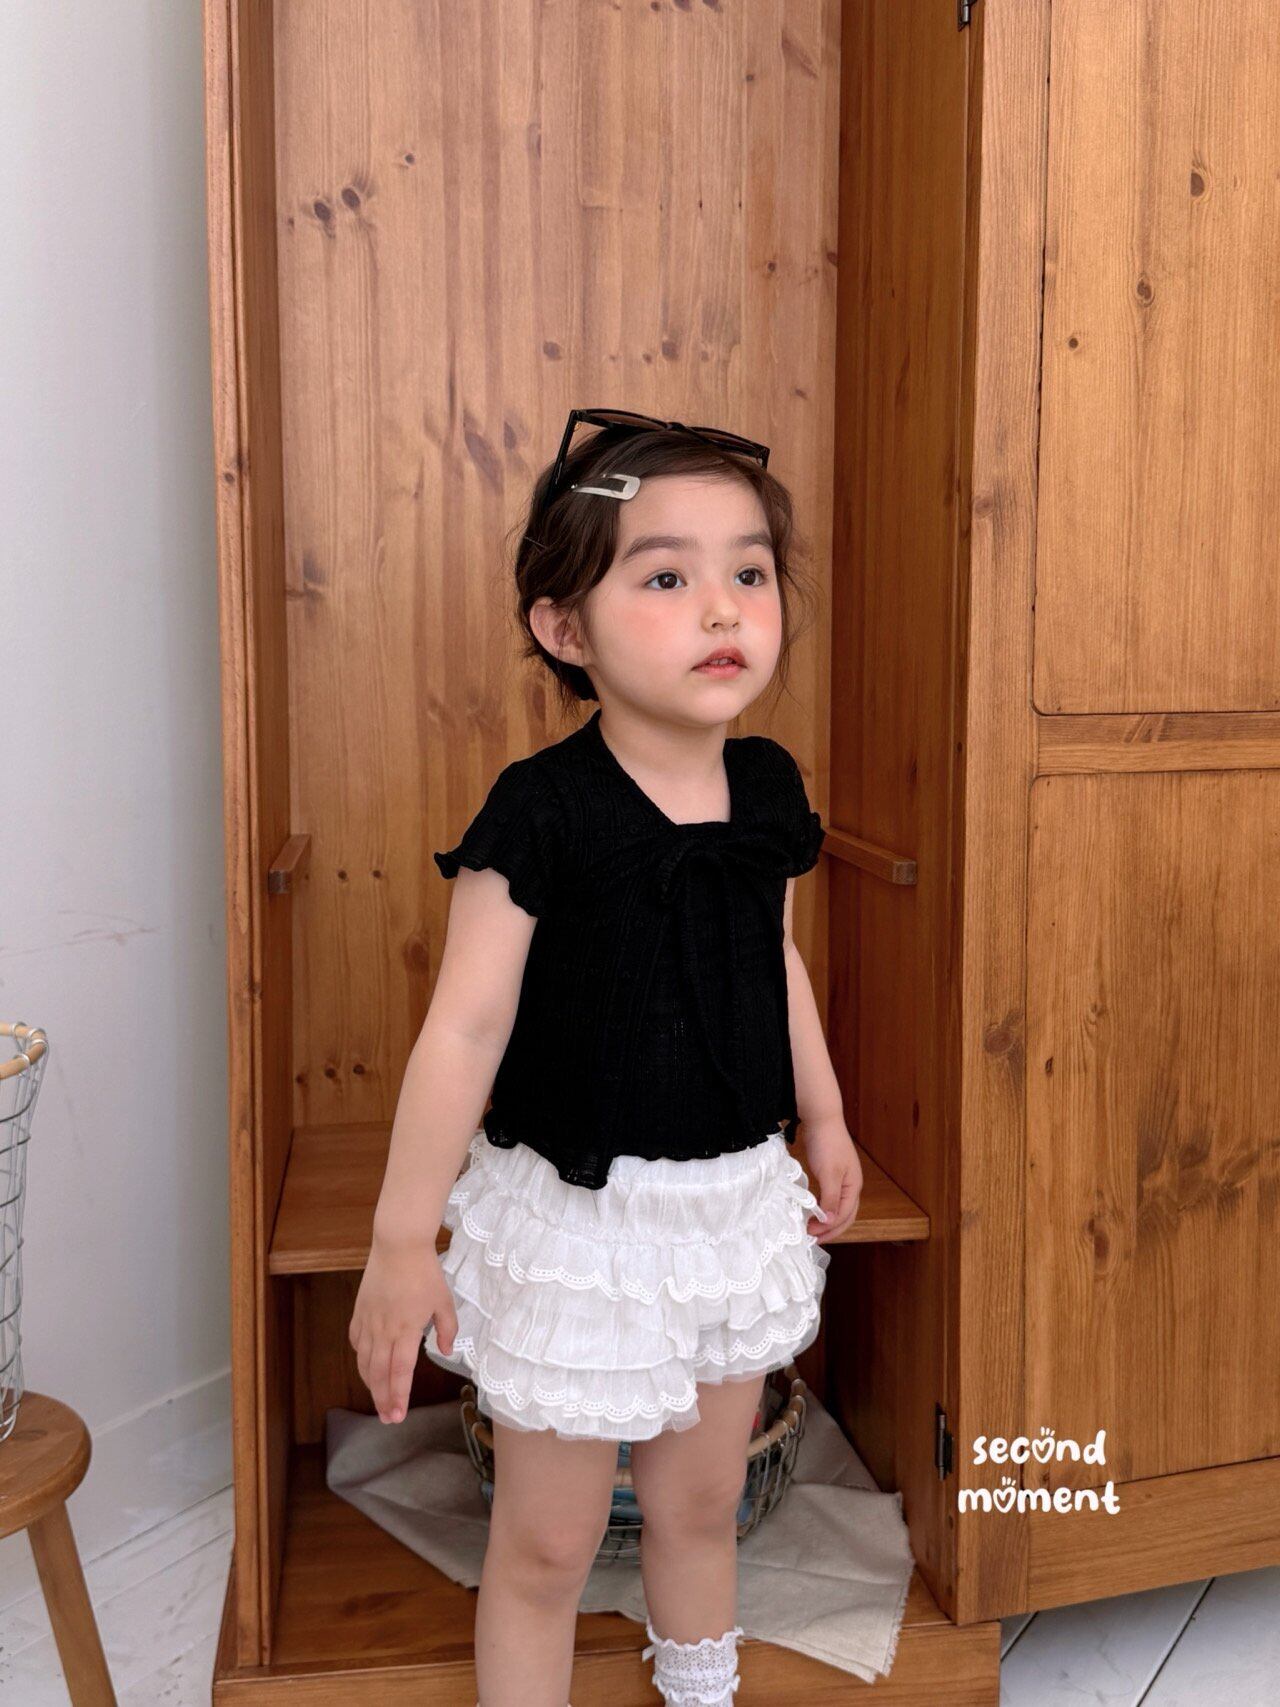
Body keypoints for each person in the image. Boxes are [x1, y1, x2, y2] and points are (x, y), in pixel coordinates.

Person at [348, 410, 863, 1707]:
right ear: (564, 628)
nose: (723, 608)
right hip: (580, 1226)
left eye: (750, 572)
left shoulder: (768, 784)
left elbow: (775, 961)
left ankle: (701, 1690)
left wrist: (825, 1116)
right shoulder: (543, 811)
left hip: (728, 1204)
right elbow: (462, 1030)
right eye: (667, 576)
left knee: (701, 1508)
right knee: (546, 1544)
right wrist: (402, 1242)